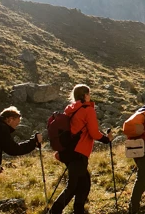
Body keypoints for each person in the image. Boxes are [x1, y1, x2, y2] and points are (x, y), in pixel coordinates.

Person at [49, 84, 114, 214]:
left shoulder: (71, 109)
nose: (90, 96)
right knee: (73, 186)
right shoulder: (87, 110)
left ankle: (78, 210)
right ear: (85, 95)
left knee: (84, 184)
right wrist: (107, 139)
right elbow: (94, 133)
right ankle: (55, 211)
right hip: (79, 152)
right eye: (89, 94)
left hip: (69, 151)